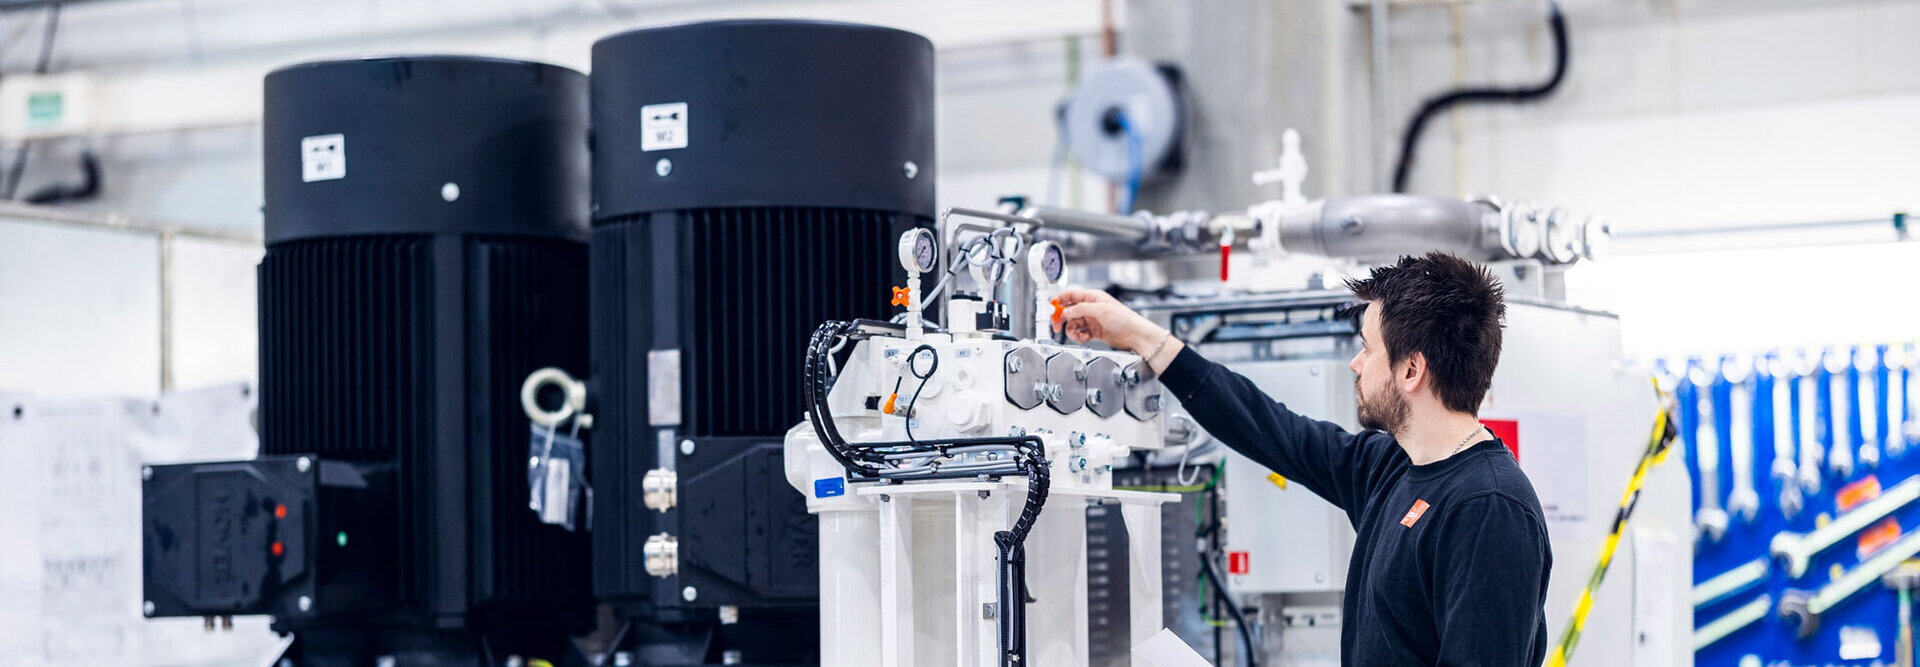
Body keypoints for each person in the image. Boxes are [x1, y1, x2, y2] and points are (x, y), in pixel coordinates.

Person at [1054, 251, 1551, 666]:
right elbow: (1272, 430)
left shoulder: (1488, 507)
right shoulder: (1391, 466)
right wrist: (1142, 336)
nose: (1355, 363)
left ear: (1411, 370)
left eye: (1367, 349)